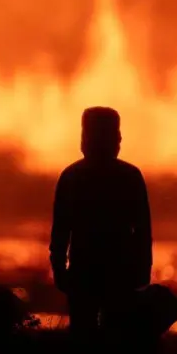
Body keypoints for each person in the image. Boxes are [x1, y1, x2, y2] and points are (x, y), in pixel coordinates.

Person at [49, 107, 152, 340]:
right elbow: (143, 232)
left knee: (85, 337)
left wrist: (58, 267)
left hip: (89, 271)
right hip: (117, 272)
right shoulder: (130, 176)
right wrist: (143, 269)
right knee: (115, 338)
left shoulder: (71, 176)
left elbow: (60, 231)